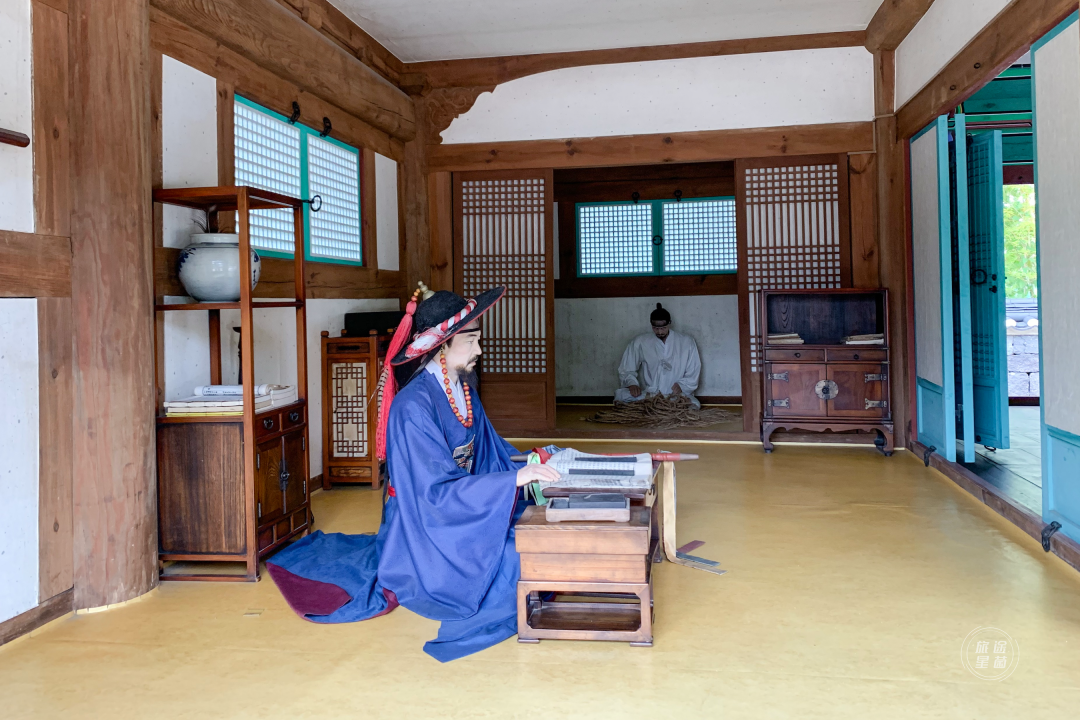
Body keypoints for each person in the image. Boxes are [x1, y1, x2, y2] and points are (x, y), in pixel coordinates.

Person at [266, 284, 560, 663]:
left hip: (464, 511)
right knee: (515, 557)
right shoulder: (412, 408)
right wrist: (509, 482)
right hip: (425, 528)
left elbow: (491, 452)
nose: (479, 351)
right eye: (470, 342)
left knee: (537, 533)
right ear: (441, 346)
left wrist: (530, 462)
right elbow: (431, 493)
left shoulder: (463, 390)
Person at [615, 303, 703, 409]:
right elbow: (626, 368)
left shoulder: (686, 342)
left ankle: (657, 408)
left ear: (669, 323)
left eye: (663, 328)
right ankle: (658, 407)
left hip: (675, 395)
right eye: (656, 328)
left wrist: (682, 385)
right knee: (620, 396)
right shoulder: (641, 342)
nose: (660, 332)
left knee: (694, 405)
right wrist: (632, 384)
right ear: (651, 325)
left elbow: (694, 369)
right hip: (651, 395)